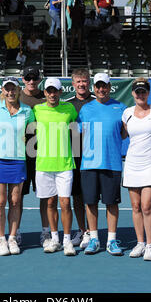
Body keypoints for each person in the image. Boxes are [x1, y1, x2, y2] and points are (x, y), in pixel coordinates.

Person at [78, 73, 126, 256]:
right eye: (97, 86)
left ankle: (111, 240)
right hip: (89, 164)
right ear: (93, 88)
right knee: (90, 203)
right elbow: (79, 134)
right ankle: (94, 239)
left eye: (104, 86)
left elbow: (123, 133)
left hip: (112, 163)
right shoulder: (85, 109)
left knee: (111, 203)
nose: (101, 89)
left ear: (109, 86)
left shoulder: (120, 107)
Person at [122, 78, 151, 261]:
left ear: (148, 93)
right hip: (132, 163)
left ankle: (150, 245)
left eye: (143, 91)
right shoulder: (126, 113)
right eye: (137, 92)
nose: (140, 95)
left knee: (146, 206)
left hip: (150, 163)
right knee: (135, 206)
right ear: (133, 94)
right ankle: (140, 243)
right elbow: (122, 135)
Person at [0, 77, 35, 255]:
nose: (10, 92)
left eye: (13, 89)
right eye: (7, 89)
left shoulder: (27, 110)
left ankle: (13, 237)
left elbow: (32, 132)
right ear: (3, 90)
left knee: (15, 201)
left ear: (18, 90)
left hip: (18, 160)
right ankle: (1, 239)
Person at [33, 77, 78, 256]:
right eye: (49, 91)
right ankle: (55, 239)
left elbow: (76, 126)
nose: (52, 94)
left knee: (65, 203)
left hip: (65, 164)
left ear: (60, 92)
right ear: (44, 92)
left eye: (55, 91)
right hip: (44, 164)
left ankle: (67, 241)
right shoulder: (37, 109)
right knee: (50, 202)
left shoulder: (69, 109)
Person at [65, 68, 95, 249]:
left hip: (93, 157)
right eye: (78, 81)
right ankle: (82, 230)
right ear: (73, 84)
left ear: (88, 83)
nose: (82, 84)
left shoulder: (97, 102)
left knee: (91, 197)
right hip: (74, 157)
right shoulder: (67, 105)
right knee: (77, 196)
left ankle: (92, 232)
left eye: (84, 81)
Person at [19, 66, 48, 247]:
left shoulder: (47, 97)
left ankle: (46, 232)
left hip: (43, 155)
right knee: (17, 197)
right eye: (28, 78)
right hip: (20, 156)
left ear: (39, 79)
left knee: (45, 196)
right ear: (23, 79)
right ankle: (16, 232)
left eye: (34, 78)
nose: (31, 81)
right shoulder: (15, 96)